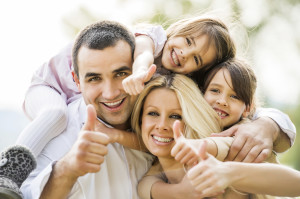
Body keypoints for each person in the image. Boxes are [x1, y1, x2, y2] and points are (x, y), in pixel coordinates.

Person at [18, 14, 295, 164]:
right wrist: (139, 72)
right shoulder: (144, 41)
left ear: (198, 73)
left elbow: (263, 116)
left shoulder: (176, 88)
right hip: (46, 87)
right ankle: (10, 168)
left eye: (196, 59)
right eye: (186, 40)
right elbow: (142, 56)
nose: (184, 53)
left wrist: (267, 125)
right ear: (175, 31)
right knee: (55, 115)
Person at [20, 20, 154, 199]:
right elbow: (24, 194)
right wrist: (66, 170)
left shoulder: (160, 119)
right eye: (94, 79)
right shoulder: (61, 136)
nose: (110, 93)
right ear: (76, 80)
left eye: (121, 74)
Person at [133, 73, 252, 199]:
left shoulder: (216, 161)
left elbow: (229, 145)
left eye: (175, 116)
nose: (162, 125)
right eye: (153, 113)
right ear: (141, 120)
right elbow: (145, 188)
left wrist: (201, 146)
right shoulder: (152, 176)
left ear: (191, 121)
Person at [186, 141, 300, 198]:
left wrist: (228, 172)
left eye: (175, 116)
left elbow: (296, 184)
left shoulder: (247, 140)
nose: (222, 101)